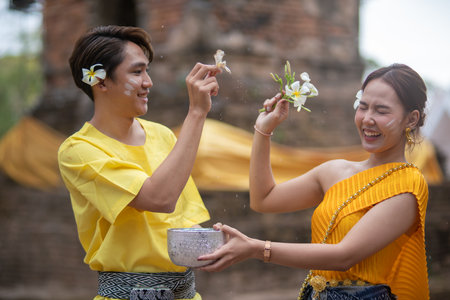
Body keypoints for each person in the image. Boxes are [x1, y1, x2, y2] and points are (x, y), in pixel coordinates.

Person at [199, 64, 429, 300]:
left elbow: (344, 256)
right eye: (363, 107)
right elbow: (264, 199)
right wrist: (263, 131)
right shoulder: (335, 171)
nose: (367, 119)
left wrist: (257, 249)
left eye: (381, 111)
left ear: (411, 119)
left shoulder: (408, 186)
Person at [58, 25, 221, 300]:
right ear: (101, 82)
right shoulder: (79, 151)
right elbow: (159, 198)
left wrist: (217, 243)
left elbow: (180, 222)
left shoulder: (163, 135)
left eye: (147, 70)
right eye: (137, 71)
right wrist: (196, 113)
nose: (148, 82)